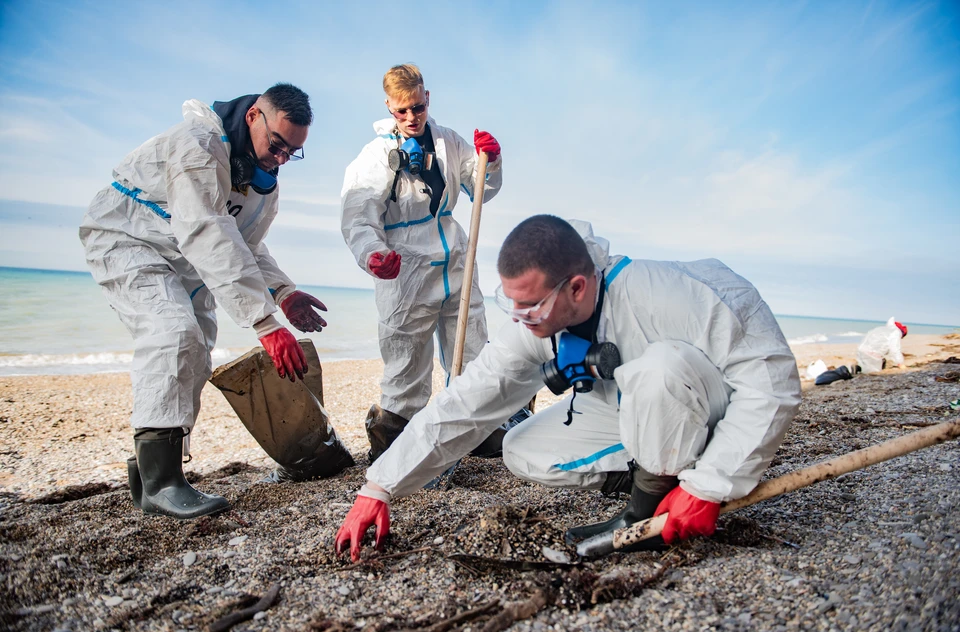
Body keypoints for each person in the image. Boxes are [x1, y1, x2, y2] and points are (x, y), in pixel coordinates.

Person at [335, 215, 802, 561]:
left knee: (658, 367)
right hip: (633, 411)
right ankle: (662, 481)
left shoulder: (668, 294)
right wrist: (378, 488)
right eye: (510, 304)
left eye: (531, 307)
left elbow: (771, 386)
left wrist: (713, 483)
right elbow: (465, 403)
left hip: (711, 410)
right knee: (520, 449)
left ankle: (646, 512)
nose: (520, 319)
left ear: (576, 288)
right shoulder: (536, 326)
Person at [79, 84, 327, 520]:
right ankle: (163, 483)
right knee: (172, 334)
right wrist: (265, 324)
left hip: (185, 258)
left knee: (196, 351)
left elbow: (244, 244)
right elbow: (207, 231)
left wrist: (283, 293)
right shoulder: (198, 146)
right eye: (277, 145)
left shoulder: (259, 183)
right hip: (129, 238)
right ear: (254, 116)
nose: (282, 158)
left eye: (293, 152)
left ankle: (147, 474)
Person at [340, 64, 503, 461]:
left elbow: (482, 190)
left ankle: (475, 433)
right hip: (406, 267)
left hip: (456, 261)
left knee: (471, 349)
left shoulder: (449, 141)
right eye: (402, 112)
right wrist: (371, 254)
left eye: (417, 107)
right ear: (389, 108)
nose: (411, 118)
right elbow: (358, 216)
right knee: (406, 360)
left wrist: (491, 161)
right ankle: (394, 443)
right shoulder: (374, 157)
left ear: (427, 98)